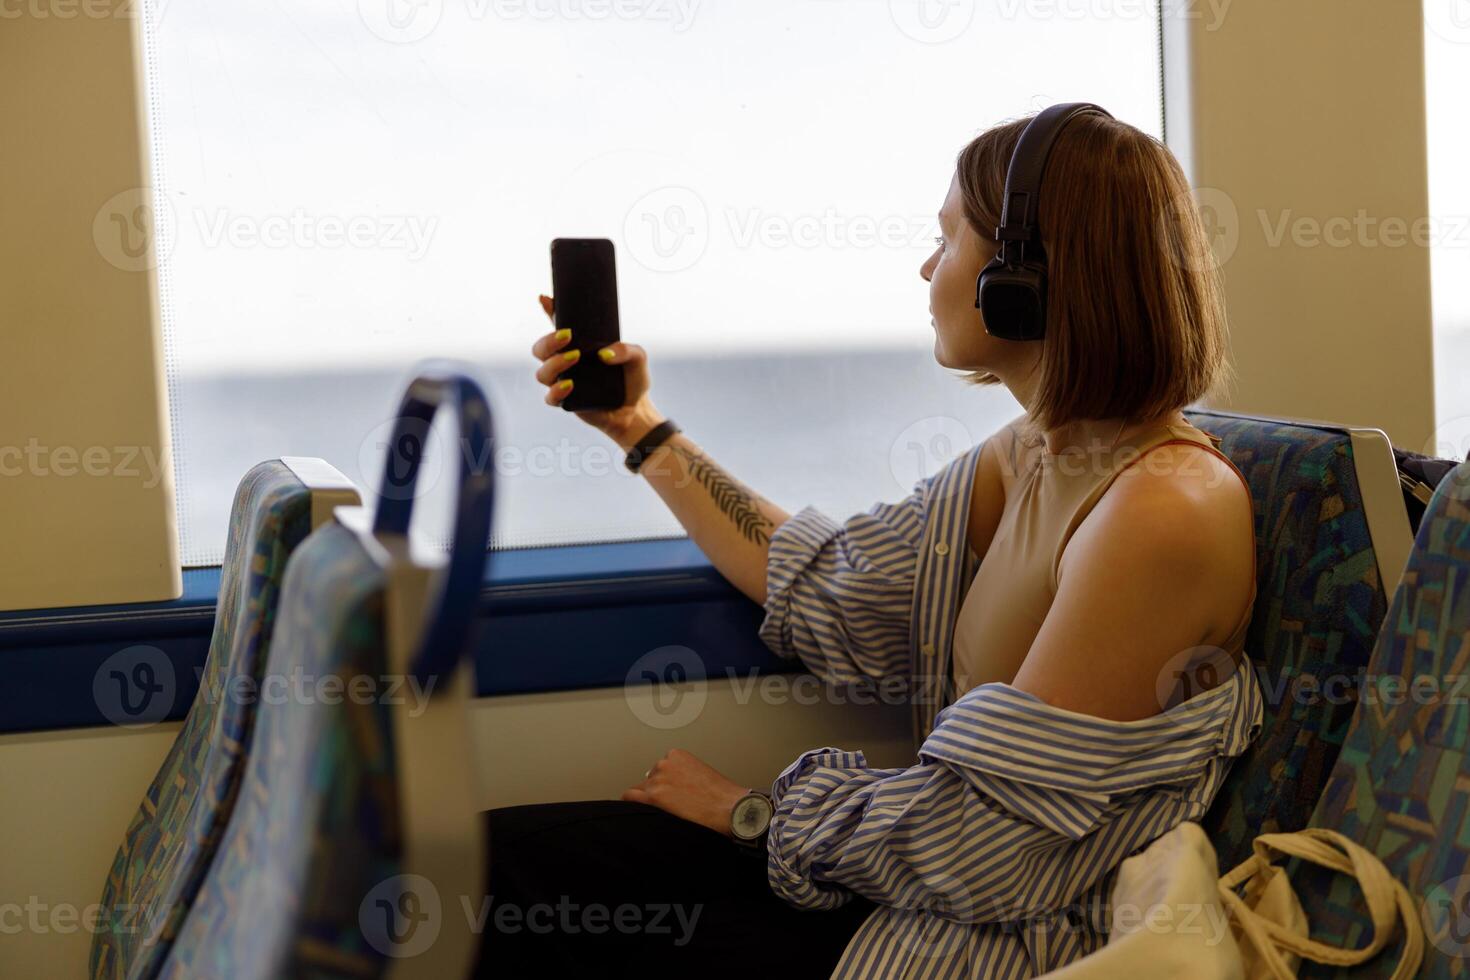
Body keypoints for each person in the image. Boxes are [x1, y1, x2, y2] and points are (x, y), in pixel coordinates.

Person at [475, 107, 1262, 979]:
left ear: (1024, 276)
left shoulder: (1162, 510)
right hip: (918, 893)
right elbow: (833, 586)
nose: (927, 267)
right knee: (498, 864)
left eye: (947, 239)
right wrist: (637, 426)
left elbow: (989, 851)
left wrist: (756, 814)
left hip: (987, 942)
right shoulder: (1037, 453)